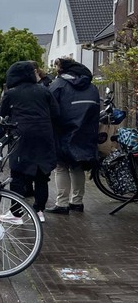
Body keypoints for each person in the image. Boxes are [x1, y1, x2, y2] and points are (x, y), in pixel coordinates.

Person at [0, 61, 59, 224]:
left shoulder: (11, 93)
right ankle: (39, 211)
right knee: (42, 175)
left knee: (18, 175)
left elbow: (2, 117)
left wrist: (0, 141)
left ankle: (16, 213)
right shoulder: (44, 91)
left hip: (22, 137)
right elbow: (56, 113)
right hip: (44, 137)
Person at [45, 58, 100, 215]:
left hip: (63, 131)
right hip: (85, 133)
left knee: (61, 166)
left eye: (57, 67)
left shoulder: (59, 84)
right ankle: (77, 202)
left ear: (62, 68)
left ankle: (61, 203)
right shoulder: (91, 86)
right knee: (77, 166)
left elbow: (50, 107)